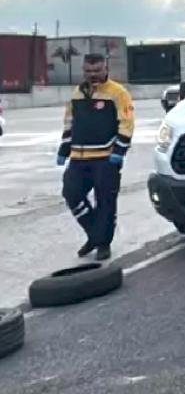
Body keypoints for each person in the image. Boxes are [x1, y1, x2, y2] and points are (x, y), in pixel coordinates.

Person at [56, 53, 135, 261]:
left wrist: (119, 151)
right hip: (79, 157)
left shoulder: (118, 93)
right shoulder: (77, 94)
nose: (92, 75)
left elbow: (127, 124)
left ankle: (103, 243)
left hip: (106, 158)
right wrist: (64, 149)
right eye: (88, 71)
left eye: (97, 71)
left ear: (105, 69)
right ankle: (94, 235)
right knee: (71, 194)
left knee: (106, 202)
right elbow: (68, 122)